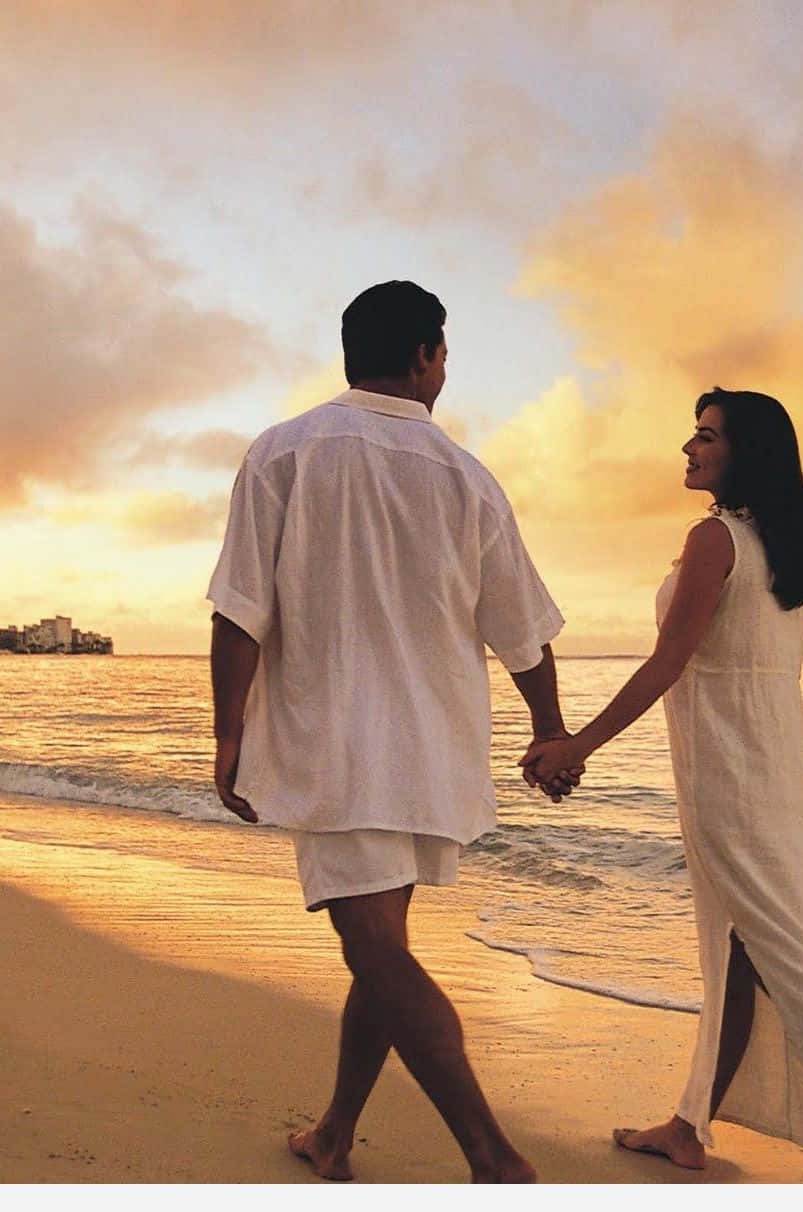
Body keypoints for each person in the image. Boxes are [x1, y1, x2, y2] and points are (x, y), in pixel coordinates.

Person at [207, 280, 577, 1184]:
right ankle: (335, 1135)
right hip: (433, 754)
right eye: (443, 353)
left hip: (336, 750)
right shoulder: (468, 477)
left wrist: (228, 738)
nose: (443, 369)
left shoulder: (284, 452)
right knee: (382, 947)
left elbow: (238, 613)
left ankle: (494, 1158)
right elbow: (520, 630)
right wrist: (549, 731)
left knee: (374, 948)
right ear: (423, 356)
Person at [523, 389, 803, 1183]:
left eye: (706, 436)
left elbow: (668, 662)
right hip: (768, 756)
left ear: (746, 451)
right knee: (739, 949)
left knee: (780, 948)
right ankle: (688, 1124)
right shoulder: (781, 542)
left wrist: (577, 744)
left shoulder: (713, 538)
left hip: (728, 764)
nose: (688, 446)